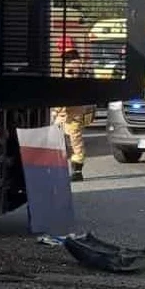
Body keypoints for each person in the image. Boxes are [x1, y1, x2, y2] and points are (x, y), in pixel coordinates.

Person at [52, 34, 94, 182]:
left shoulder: (70, 67)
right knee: (74, 140)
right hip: (75, 109)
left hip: (69, 110)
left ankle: (75, 171)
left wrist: (55, 110)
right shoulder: (78, 64)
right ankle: (75, 170)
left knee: (71, 140)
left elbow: (66, 91)